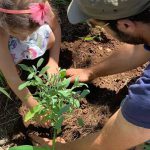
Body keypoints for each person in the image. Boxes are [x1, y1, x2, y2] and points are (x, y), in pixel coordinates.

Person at [29, 0, 150, 149]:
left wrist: (60, 148)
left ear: (126, 25)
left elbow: (106, 144)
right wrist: (90, 72)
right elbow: (140, 50)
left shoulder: (146, 97)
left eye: (97, 25)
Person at [0, 0, 61, 127]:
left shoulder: (38, 5)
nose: (24, 38)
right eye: (19, 34)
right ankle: (12, 61)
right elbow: (12, 77)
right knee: (5, 59)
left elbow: (56, 29)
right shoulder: (3, 24)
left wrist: (53, 61)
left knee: (50, 39)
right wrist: (33, 105)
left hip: (15, 23)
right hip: (4, 34)